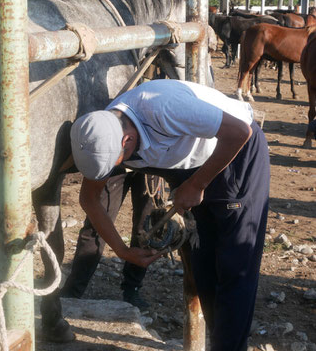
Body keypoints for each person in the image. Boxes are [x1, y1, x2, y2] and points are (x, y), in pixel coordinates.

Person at [70, 79, 269, 351]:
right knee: (203, 268)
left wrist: (197, 184)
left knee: (235, 266)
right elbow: (88, 198)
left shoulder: (164, 107)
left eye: (117, 162)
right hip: (188, 167)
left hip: (234, 153)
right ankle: (222, 343)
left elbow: (239, 132)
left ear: (126, 140)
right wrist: (123, 250)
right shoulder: (100, 134)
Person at [60, 170, 163, 309]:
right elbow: (88, 199)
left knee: (146, 229)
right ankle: (73, 290)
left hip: (150, 164)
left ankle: (132, 289)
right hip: (118, 163)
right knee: (96, 226)